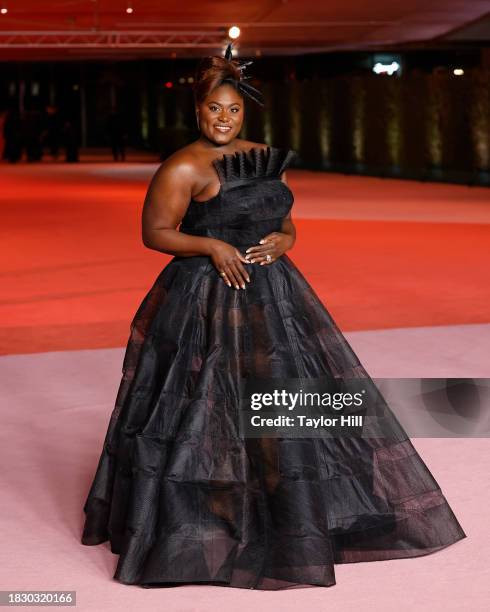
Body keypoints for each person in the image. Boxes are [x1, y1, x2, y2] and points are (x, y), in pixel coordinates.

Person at [81, 43, 466, 590]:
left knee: (281, 396)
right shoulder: (183, 165)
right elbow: (155, 233)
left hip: (274, 295)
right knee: (205, 400)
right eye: (215, 109)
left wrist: (284, 241)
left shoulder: (262, 157)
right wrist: (211, 247)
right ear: (198, 111)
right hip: (204, 297)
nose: (224, 118)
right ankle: (210, 515)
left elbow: (285, 220)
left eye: (233, 109)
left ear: (246, 113)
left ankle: (288, 513)